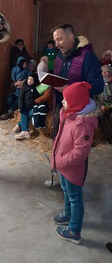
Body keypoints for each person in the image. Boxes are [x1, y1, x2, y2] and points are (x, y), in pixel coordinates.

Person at [45, 23, 104, 188]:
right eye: (55, 40)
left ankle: (75, 185)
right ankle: (61, 179)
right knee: (60, 144)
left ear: (71, 37)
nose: (57, 44)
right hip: (61, 109)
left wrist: (70, 89)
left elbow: (98, 85)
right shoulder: (58, 55)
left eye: (60, 39)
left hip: (80, 114)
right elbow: (57, 74)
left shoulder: (87, 57)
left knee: (77, 151)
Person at [51, 82, 98, 245]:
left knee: (75, 197)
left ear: (76, 104)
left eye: (65, 100)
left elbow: (80, 153)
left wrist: (61, 161)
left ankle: (74, 231)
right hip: (64, 167)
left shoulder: (83, 124)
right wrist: (65, 109)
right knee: (65, 191)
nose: (62, 102)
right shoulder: (71, 115)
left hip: (72, 169)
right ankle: (68, 215)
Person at [13, 73, 40, 140]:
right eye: (29, 79)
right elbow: (21, 98)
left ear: (35, 81)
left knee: (31, 114)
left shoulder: (36, 88)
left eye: (32, 80)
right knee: (23, 113)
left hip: (32, 107)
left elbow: (38, 98)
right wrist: (20, 106)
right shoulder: (24, 87)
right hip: (24, 106)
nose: (30, 81)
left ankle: (20, 124)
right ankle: (25, 131)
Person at [97, 65, 112, 144]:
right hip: (100, 105)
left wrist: (107, 106)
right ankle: (108, 136)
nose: (104, 73)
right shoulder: (98, 83)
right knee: (100, 115)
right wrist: (102, 106)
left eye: (106, 72)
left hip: (109, 105)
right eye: (103, 72)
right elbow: (95, 98)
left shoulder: (110, 85)